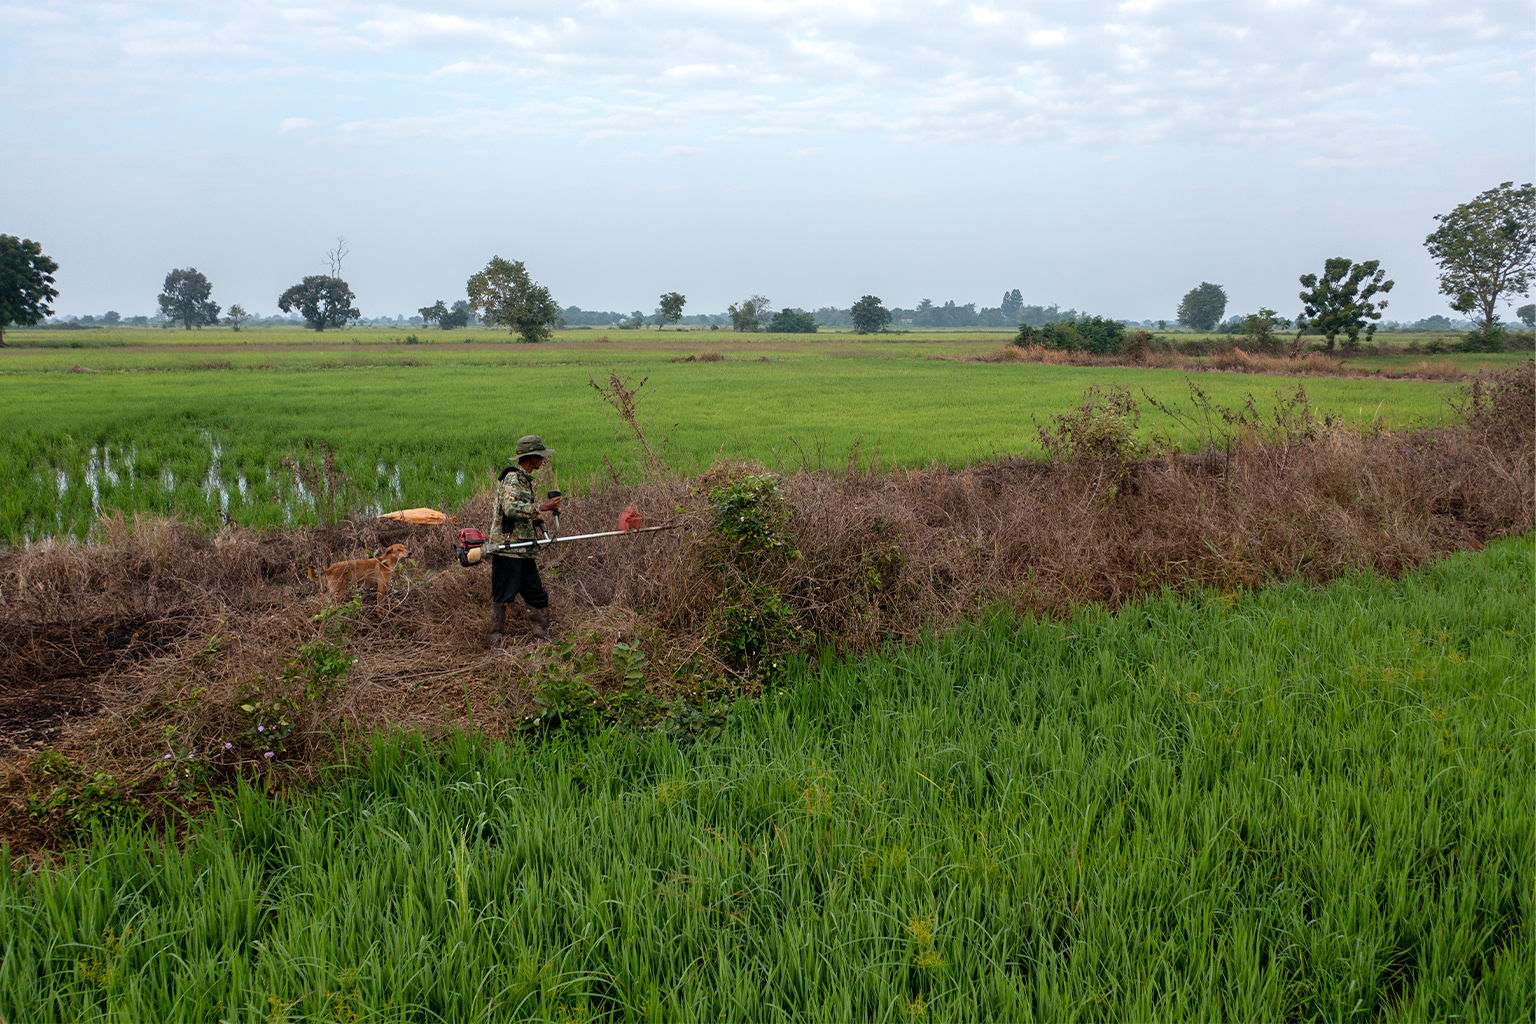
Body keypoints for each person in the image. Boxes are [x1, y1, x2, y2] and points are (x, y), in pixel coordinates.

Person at [487, 434, 562, 648]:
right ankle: (496, 645)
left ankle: (543, 638)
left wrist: (534, 515)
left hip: (525, 548)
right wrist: (542, 507)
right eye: (541, 456)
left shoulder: (524, 479)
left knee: (536, 593)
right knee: (502, 597)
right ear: (531, 457)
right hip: (509, 549)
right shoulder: (513, 478)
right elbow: (509, 509)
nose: (544, 460)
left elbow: (516, 509)